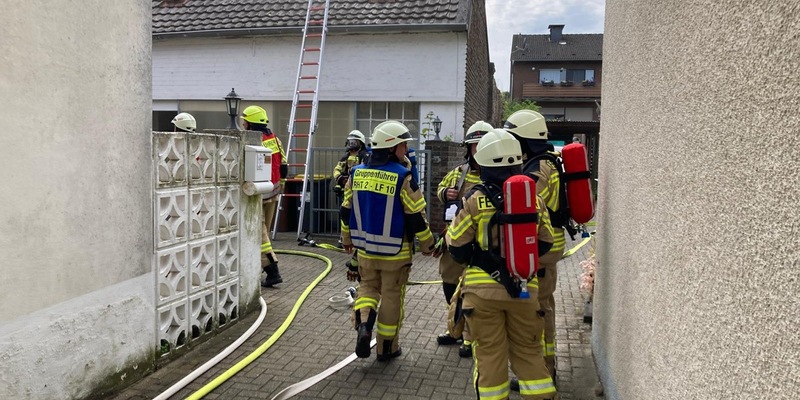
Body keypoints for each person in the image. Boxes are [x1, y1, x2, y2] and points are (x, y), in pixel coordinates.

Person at [446, 128, 557, 400]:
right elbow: (546, 242)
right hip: (524, 288)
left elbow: (457, 248)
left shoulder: (473, 199)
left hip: (482, 295)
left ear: (482, 164)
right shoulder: (534, 198)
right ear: (518, 162)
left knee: (489, 355)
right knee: (529, 353)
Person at [340, 120, 435, 361]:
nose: (406, 149)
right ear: (392, 148)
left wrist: (346, 239)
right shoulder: (403, 176)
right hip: (396, 253)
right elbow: (416, 218)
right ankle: (386, 348)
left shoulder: (356, 173)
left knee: (368, 289)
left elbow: (345, 210)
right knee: (392, 297)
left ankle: (363, 326)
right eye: (403, 145)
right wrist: (428, 245)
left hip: (365, 252)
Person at [504, 109, 564, 379]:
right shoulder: (539, 163)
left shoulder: (538, 169)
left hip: (543, 250)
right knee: (541, 306)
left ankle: (542, 370)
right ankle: (542, 367)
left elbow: (524, 206)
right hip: (543, 248)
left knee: (539, 309)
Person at [434, 120, 492, 357]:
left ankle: (471, 336)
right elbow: (440, 191)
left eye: (483, 145)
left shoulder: (496, 173)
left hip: (483, 244)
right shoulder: (458, 173)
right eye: (474, 146)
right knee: (449, 281)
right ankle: (455, 329)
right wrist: (444, 193)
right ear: (468, 149)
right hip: (455, 238)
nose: (478, 150)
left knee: (476, 291)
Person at [241, 105, 288, 288]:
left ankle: (272, 269)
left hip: (259, 193)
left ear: (251, 123)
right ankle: (258, 267)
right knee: (263, 233)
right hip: (274, 192)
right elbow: (284, 165)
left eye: (245, 121)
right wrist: (281, 185)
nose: (243, 124)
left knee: (260, 235)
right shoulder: (275, 140)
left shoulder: (253, 140)